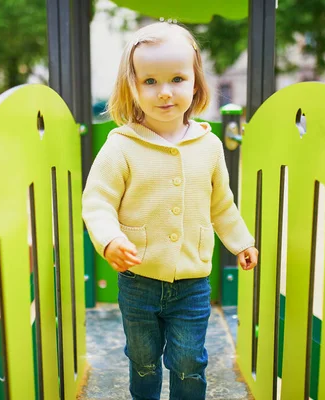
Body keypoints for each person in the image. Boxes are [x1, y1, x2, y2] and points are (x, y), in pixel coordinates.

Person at [82, 21, 259, 400]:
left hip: (192, 284)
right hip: (139, 281)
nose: (165, 92)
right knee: (143, 359)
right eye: (150, 81)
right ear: (132, 86)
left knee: (189, 361)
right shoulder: (121, 146)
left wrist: (242, 242)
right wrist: (110, 239)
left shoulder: (208, 146)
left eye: (177, 79)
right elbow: (97, 202)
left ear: (195, 83)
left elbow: (221, 204)